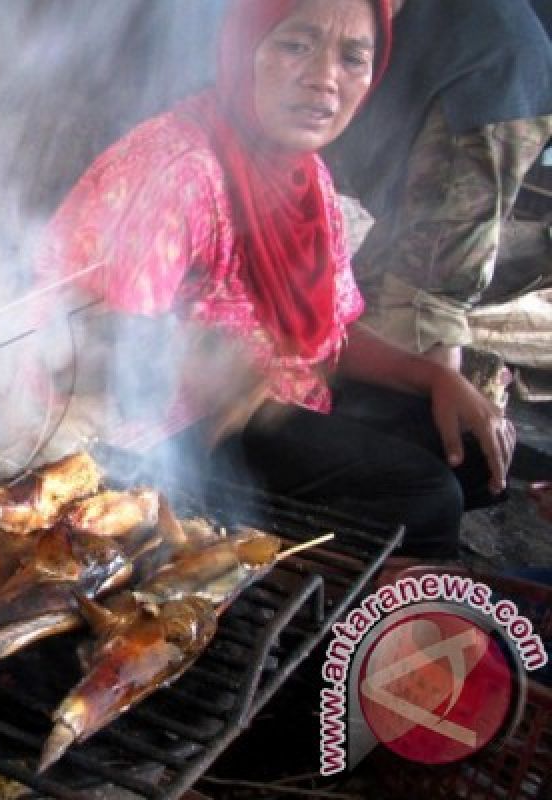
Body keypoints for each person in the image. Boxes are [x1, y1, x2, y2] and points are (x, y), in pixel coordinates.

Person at [36, 0, 516, 558]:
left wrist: (432, 377)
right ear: (245, 50)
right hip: (166, 442)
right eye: (296, 45)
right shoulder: (174, 172)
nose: (325, 79)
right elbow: (88, 353)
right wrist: (210, 366)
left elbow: (328, 336)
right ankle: (279, 580)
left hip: (282, 397)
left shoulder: (306, 177)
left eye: (353, 58)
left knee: (472, 462)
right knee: (426, 496)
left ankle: (337, 562)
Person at [324, 0, 552, 373]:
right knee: (364, 293)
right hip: (453, 62)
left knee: (420, 302)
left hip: (488, 84)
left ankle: (424, 417)